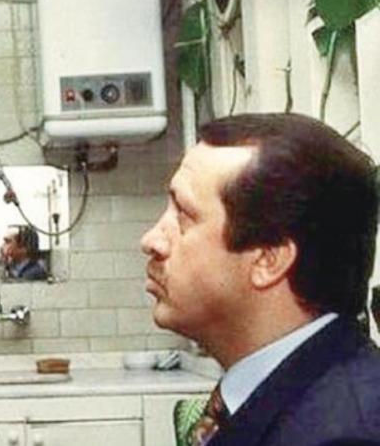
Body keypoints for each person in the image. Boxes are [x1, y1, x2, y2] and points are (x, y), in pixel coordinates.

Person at [140, 113, 380, 445]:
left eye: (183, 215)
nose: (151, 240)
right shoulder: (294, 392)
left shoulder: (345, 435)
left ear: (268, 259)